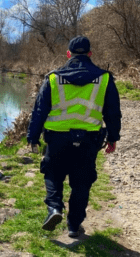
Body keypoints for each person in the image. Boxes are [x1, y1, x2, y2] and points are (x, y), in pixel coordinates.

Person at [27, 36, 121, 238]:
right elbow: (112, 112)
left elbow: (39, 111)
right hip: (88, 140)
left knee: (53, 174)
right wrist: (113, 137)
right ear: (90, 54)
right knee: (82, 182)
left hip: (57, 138)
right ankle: (73, 225)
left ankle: (54, 208)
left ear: (68, 54)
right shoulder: (105, 78)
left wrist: (32, 137)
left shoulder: (53, 78)